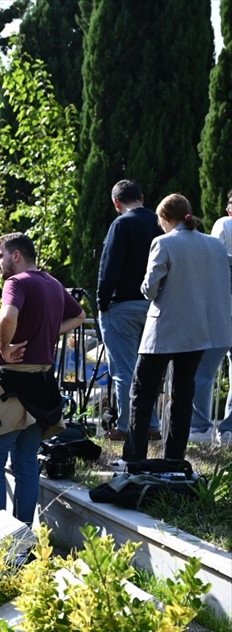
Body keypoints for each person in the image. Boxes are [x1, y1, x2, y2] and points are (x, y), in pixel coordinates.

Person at [0, 233, 85, 523]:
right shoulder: (53, 284)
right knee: (25, 464)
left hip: (8, 383)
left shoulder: (16, 282)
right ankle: (23, 533)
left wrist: (6, 345)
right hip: (40, 385)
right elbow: (79, 316)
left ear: (16, 256)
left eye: (1, 256)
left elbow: (7, 316)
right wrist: (48, 333)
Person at [123, 194, 232, 462]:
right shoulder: (214, 246)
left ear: (164, 218)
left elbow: (149, 290)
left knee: (142, 392)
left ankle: (135, 456)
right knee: (183, 395)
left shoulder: (163, 243)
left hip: (163, 330)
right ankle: (174, 457)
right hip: (199, 330)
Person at [96, 180, 163, 442]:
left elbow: (109, 265)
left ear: (116, 203)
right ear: (142, 197)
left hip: (121, 305)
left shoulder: (121, 224)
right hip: (154, 304)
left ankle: (127, 426)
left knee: (124, 370)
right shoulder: (159, 222)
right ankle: (152, 423)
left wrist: (102, 302)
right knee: (149, 370)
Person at [190, 189, 232, 445]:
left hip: (222, 308)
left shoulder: (224, 223)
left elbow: (212, 261)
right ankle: (228, 429)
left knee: (203, 371)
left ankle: (200, 427)